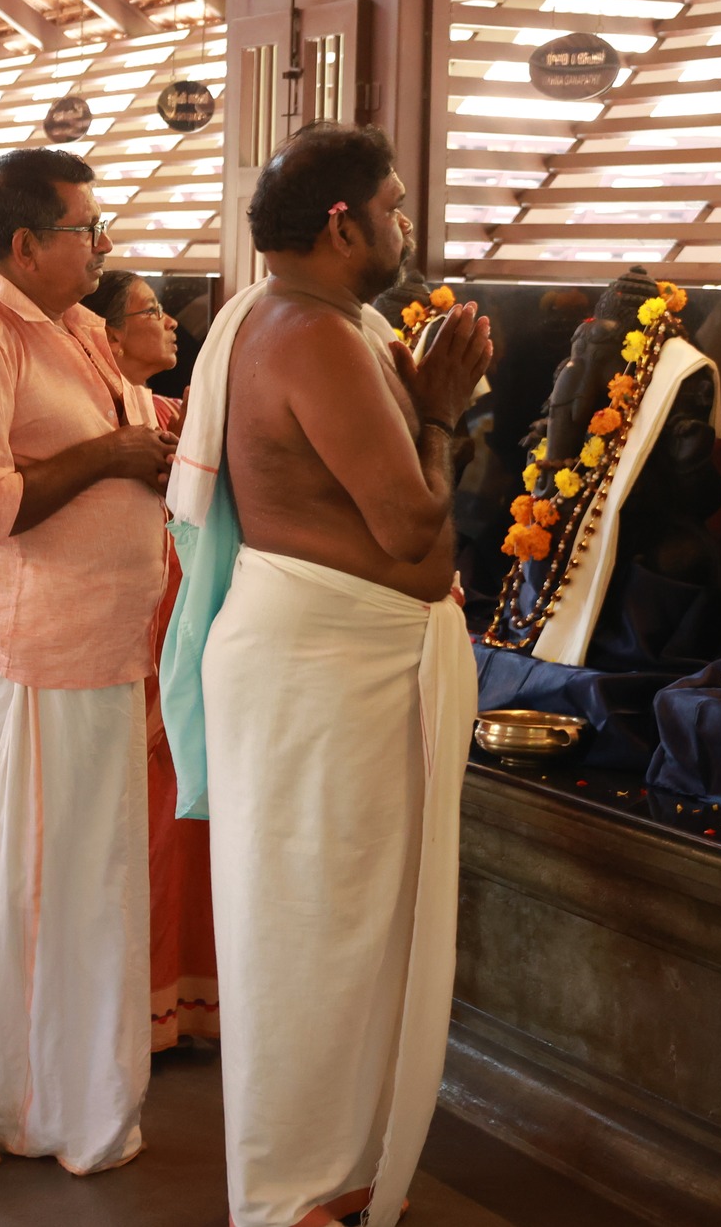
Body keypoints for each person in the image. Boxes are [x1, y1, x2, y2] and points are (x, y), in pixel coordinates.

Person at [162, 124, 492, 1227]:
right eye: (395, 206)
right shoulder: (308, 334)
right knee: (310, 934)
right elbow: (406, 528)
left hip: (327, 659)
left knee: (342, 930)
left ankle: (330, 1176)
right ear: (344, 224)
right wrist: (441, 406)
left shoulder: (309, 319)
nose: (407, 224)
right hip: (320, 663)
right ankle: (296, 1190)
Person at [0, 149, 175, 1174]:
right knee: (11, 871)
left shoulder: (81, 329)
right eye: (82, 228)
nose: (99, 242)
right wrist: (106, 457)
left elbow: (134, 434)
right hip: (17, 644)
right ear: (25, 244)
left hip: (98, 640)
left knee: (87, 882)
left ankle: (62, 1099)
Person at [82, 269, 218, 1053]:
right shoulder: (105, 421)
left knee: (180, 822)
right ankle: (132, 1010)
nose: (170, 324)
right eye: (151, 312)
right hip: (128, 630)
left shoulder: (167, 410)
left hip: (181, 624)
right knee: (138, 821)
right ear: (107, 334)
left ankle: (178, 1001)